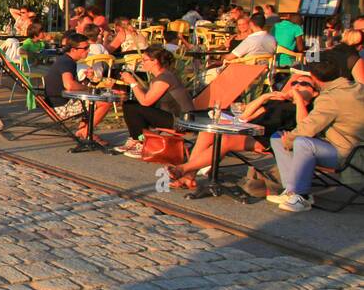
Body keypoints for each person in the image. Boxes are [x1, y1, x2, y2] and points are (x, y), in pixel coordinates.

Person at [167, 72, 320, 190]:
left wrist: (299, 99)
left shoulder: (311, 108)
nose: (297, 86)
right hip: (252, 131)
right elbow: (245, 115)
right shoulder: (278, 101)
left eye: (304, 83)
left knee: (226, 141)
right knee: (209, 132)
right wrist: (265, 97)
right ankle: (189, 176)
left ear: (314, 93)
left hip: (271, 139)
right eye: (294, 82)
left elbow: (304, 125)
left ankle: (183, 169)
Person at [266, 61, 364, 212]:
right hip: (348, 146)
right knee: (278, 137)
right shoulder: (356, 88)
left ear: (315, 78)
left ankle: (301, 196)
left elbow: (308, 128)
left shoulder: (331, 98)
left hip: (348, 153)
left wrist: (290, 141)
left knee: (302, 142)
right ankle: (291, 191)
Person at [113, 46, 194, 157]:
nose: (142, 62)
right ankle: (137, 139)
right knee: (130, 104)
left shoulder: (164, 78)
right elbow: (146, 96)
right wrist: (117, 86)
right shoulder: (161, 76)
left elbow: (146, 102)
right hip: (171, 116)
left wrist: (133, 82)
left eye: (145, 60)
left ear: (155, 61)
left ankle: (140, 142)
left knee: (133, 108)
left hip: (180, 120)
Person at [42, 34, 112, 143]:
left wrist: (87, 81)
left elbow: (70, 85)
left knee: (92, 100)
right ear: (74, 49)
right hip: (61, 106)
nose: (88, 51)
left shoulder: (65, 60)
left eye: (88, 47)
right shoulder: (67, 62)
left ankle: (83, 131)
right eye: (85, 48)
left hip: (58, 101)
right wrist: (88, 89)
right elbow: (69, 85)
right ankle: (86, 132)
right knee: (105, 103)